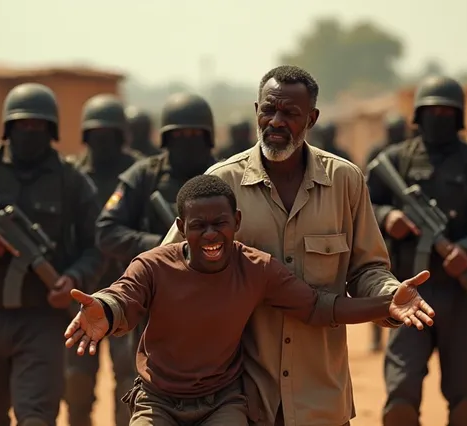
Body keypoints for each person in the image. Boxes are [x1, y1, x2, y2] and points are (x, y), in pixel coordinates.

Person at [67, 175, 435, 426]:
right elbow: (124, 296)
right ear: (181, 227)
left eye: (220, 223)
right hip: (158, 398)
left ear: (237, 221)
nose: (211, 234)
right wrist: (104, 308)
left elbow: (319, 307)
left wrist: (385, 305)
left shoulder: (256, 269)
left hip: (222, 401)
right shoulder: (154, 265)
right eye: (198, 226)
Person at [162, 65, 413, 426]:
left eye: (290, 113)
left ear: (311, 118)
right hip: (239, 397)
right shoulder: (220, 182)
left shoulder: (345, 181)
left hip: (320, 397)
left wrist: (390, 295)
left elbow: (367, 269)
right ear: (256, 111)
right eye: (269, 110)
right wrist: (115, 308)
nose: (276, 122)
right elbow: (170, 267)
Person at [367, 75, 467, 426]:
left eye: (448, 112)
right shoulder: (394, 162)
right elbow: (362, 209)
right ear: (418, 115)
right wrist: (389, 217)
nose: (440, 118)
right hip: (407, 292)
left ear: (460, 117)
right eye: (433, 111)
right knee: (399, 401)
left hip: (462, 291)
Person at [0, 82, 101, 426]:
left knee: (37, 415)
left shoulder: (70, 179)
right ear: (9, 127)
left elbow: (97, 246)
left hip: (43, 316)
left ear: (51, 130)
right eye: (22, 125)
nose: (30, 132)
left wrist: (73, 278)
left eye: (38, 126)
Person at [66, 94, 141, 426]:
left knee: (128, 382)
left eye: (110, 135)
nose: (103, 142)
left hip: (128, 293)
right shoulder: (72, 174)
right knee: (77, 380)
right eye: (97, 135)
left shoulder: (138, 173)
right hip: (83, 291)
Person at [96, 92, 216, 263]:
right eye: (178, 135)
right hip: (156, 279)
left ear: (207, 137)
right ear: (166, 138)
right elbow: (106, 232)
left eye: (194, 133)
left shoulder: (223, 174)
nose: (187, 141)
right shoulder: (144, 175)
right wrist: (158, 244)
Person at [365, 111, 408, 353]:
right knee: (379, 278)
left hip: (410, 226)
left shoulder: (412, 156)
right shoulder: (378, 155)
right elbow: (366, 194)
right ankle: (376, 335)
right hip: (382, 226)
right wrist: (384, 215)